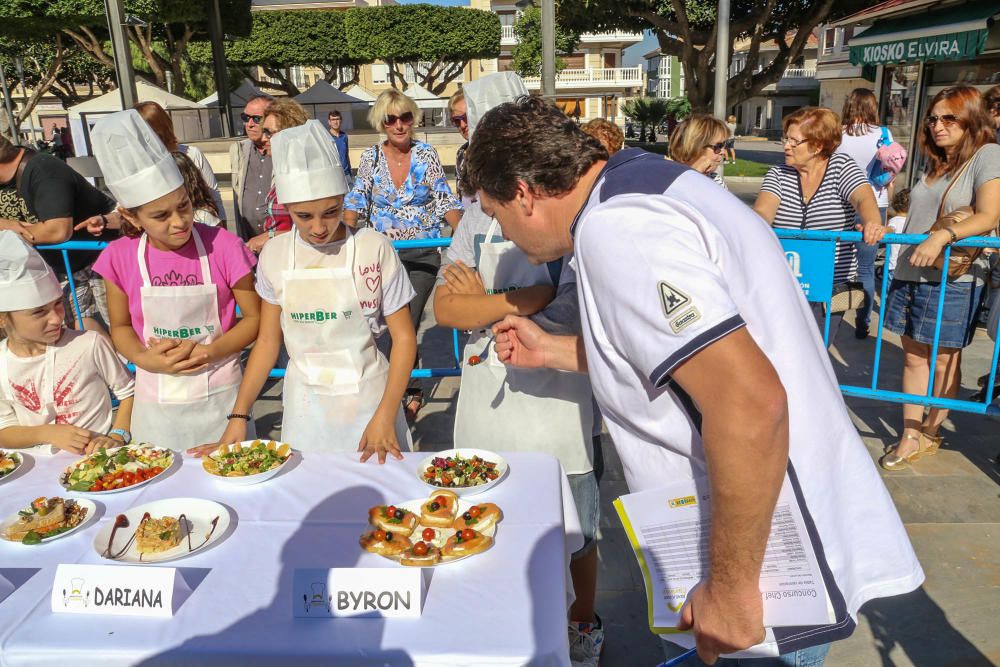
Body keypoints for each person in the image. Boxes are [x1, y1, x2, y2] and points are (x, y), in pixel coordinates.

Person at [463, 96, 923, 666]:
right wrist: (557, 350)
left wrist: (730, 593)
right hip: (762, 532)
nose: (500, 228)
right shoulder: (640, 181)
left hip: (761, 564)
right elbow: (682, 358)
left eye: (495, 211)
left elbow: (749, 402)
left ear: (524, 192)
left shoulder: (618, 229)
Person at [433, 73, 604, 666]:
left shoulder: (576, 218)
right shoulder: (478, 218)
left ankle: (580, 622)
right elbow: (447, 307)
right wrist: (512, 301)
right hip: (489, 397)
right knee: (488, 512)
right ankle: (502, 615)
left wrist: (494, 302)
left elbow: (569, 310)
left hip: (557, 399)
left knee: (577, 527)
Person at [189, 120, 415, 461]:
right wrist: (239, 415)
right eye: (304, 216)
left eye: (331, 212)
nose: (319, 227)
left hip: (371, 400)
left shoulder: (374, 248)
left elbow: (405, 338)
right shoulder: (276, 255)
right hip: (307, 407)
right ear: (287, 209)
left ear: (343, 199)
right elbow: (267, 342)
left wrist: (385, 413)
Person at [90, 109, 261, 451]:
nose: (179, 222)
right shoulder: (118, 257)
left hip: (221, 397)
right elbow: (120, 327)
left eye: (183, 206)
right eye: (160, 216)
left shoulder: (224, 247)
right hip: (157, 403)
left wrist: (211, 351)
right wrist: (144, 358)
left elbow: (255, 319)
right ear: (130, 217)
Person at [864, 86, 1000, 470]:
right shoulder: (935, 161)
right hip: (911, 269)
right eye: (934, 118)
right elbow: (920, 216)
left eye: (949, 118)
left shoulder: (987, 156)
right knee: (913, 358)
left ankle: (931, 429)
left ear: (971, 120)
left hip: (953, 276)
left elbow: (990, 215)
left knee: (943, 360)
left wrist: (942, 236)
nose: (938, 125)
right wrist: (891, 231)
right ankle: (910, 433)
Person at [344, 89, 463, 420]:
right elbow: (357, 198)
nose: (399, 125)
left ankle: (405, 392)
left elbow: (443, 199)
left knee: (406, 322)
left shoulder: (426, 154)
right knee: (379, 326)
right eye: (390, 119)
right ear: (381, 123)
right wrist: (342, 239)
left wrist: (467, 239)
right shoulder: (371, 157)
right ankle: (388, 386)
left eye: (405, 117)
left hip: (421, 252)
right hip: (382, 257)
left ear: (413, 118)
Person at [753, 107, 881, 341]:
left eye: (795, 141)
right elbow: (763, 210)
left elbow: (863, 197)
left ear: (818, 146)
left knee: (818, 351)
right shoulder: (778, 174)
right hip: (784, 282)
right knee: (780, 350)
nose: (786, 146)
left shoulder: (841, 166)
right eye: (786, 139)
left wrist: (872, 221)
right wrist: (754, 226)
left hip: (833, 286)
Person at [0, 232, 134, 456]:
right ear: (3, 318)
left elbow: (128, 392)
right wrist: (48, 433)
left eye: (58, 305)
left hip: (97, 461)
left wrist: (117, 435)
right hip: (36, 470)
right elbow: (4, 429)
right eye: (39, 312)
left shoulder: (88, 343)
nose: (56, 318)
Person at [0, 132, 118, 332]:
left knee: (121, 325)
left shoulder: (43, 169)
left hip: (102, 258)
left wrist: (10, 231)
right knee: (78, 330)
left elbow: (57, 230)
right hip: (66, 267)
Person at [836, 88, 894, 339]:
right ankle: (864, 320)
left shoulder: (839, 133)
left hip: (843, 202)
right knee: (867, 268)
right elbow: (892, 168)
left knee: (838, 265)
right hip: (876, 202)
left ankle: (831, 315)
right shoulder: (882, 134)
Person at [135, 101, 226, 228]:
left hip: (199, 227)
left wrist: (222, 230)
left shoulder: (192, 154)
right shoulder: (138, 162)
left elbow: (213, 195)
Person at [253, 98, 310, 253]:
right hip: (279, 256)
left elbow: (314, 231)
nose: (263, 138)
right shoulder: (283, 170)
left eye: (269, 133)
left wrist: (269, 236)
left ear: (289, 133)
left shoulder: (304, 174)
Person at [230, 94, 274, 245]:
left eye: (256, 119)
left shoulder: (285, 150)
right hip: (248, 243)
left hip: (279, 241)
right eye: (245, 117)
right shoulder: (239, 151)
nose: (249, 124)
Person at [669, 114, 730, 190]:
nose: (723, 152)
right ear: (694, 147)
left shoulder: (714, 178)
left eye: (724, 145)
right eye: (718, 146)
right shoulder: (668, 180)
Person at [885, 187, 910, 280]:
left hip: (893, 263)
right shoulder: (911, 221)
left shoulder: (894, 220)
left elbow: (890, 229)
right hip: (906, 264)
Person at [448, 89, 470, 197]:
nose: (462, 125)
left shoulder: (498, 151)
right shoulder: (462, 153)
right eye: (456, 120)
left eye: (466, 117)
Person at [327, 110, 353, 187]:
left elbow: (346, 155)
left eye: (337, 119)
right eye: (333, 120)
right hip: (334, 175)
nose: (335, 122)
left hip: (346, 174)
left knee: (350, 198)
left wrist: (350, 171)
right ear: (329, 122)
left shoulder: (344, 136)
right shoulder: (326, 137)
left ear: (341, 121)